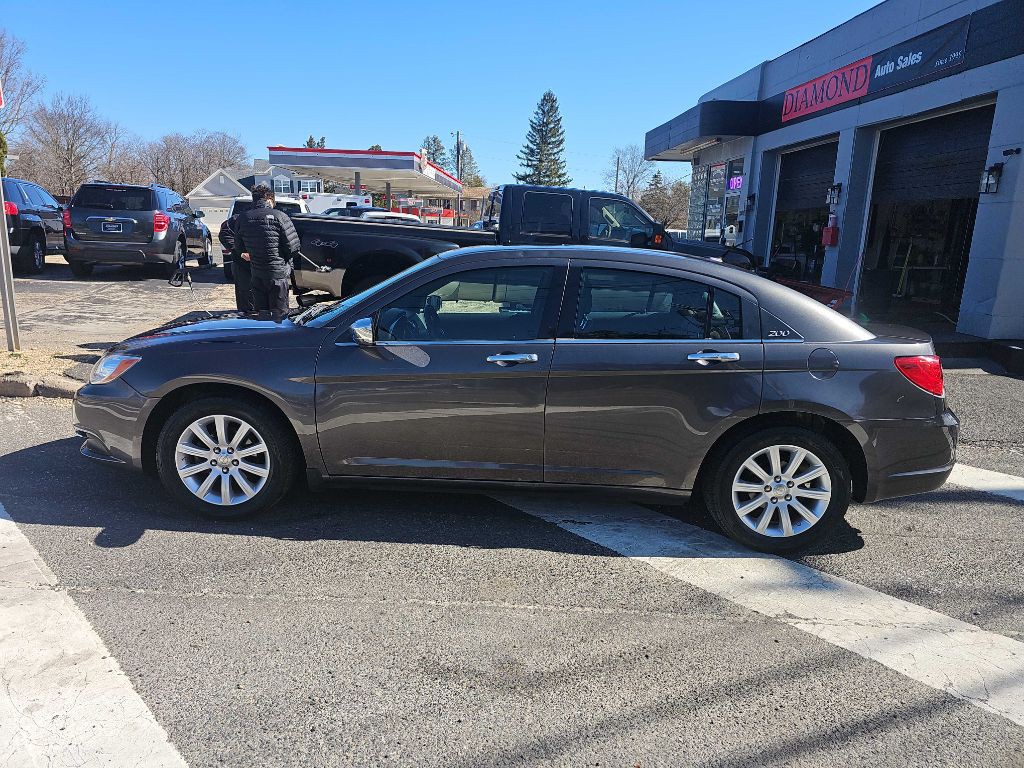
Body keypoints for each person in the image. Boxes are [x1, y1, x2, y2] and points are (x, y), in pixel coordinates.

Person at [232, 185, 301, 316]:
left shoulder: (243, 218)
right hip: (277, 274)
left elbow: (238, 247)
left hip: (257, 273)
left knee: (262, 315)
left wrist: (251, 255)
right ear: (269, 199)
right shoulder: (281, 216)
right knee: (279, 316)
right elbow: (294, 248)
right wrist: (283, 261)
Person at [218, 211, 253, 312]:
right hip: (244, 267)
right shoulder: (240, 217)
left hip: (270, 268)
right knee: (247, 303)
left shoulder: (276, 217)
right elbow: (225, 234)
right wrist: (241, 252)